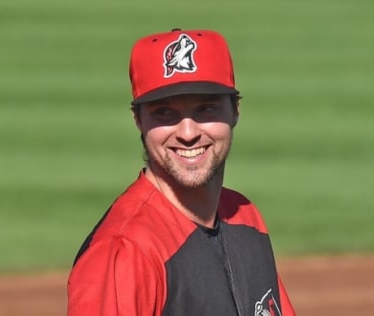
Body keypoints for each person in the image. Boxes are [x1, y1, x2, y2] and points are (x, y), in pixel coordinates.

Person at [67, 28, 296, 316]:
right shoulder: (125, 252)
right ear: (138, 119)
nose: (187, 133)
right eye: (165, 112)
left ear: (235, 110)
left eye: (206, 109)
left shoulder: (245, 218)